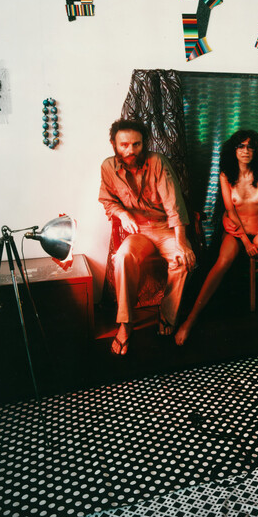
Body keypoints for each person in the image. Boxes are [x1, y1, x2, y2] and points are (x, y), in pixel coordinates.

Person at [175, 130, 258, 346]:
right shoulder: (226, 174)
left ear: (256, 150)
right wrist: (245, 241)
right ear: (234, 150)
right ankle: (190, 320)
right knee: (222, 262)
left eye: (250, 147)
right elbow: (230, 211)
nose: (245, 151)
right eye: (241, 146)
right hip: (236, 231)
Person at [99, 119, 196, 355]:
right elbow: (107, 201)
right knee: (122, 257)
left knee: (182, 260)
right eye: (124, 145)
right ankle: (125, 323)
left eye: (136, 144)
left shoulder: (158, 162)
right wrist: (122, 214)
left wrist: (181, 243)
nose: (130, 151)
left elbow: (174, 205)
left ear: (144, 144)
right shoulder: (108, 167)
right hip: (138, 231)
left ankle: (167, 313)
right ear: (114, 144)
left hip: (166, 228)